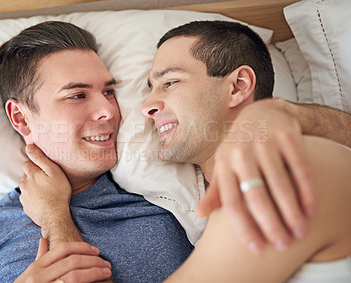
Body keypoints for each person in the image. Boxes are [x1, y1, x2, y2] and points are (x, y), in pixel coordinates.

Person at [20, 21, 351, 282]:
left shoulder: (280, 173)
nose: (147, 105)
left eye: (170, 82)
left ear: (237, 86)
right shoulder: (213, 203)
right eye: (150, 88)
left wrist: (55, 217)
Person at [0, 21, 194, 283]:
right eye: (77, 95)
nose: (109, 110)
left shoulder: (167, 204)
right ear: (20, 118)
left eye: (109, 91)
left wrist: (55, 216)